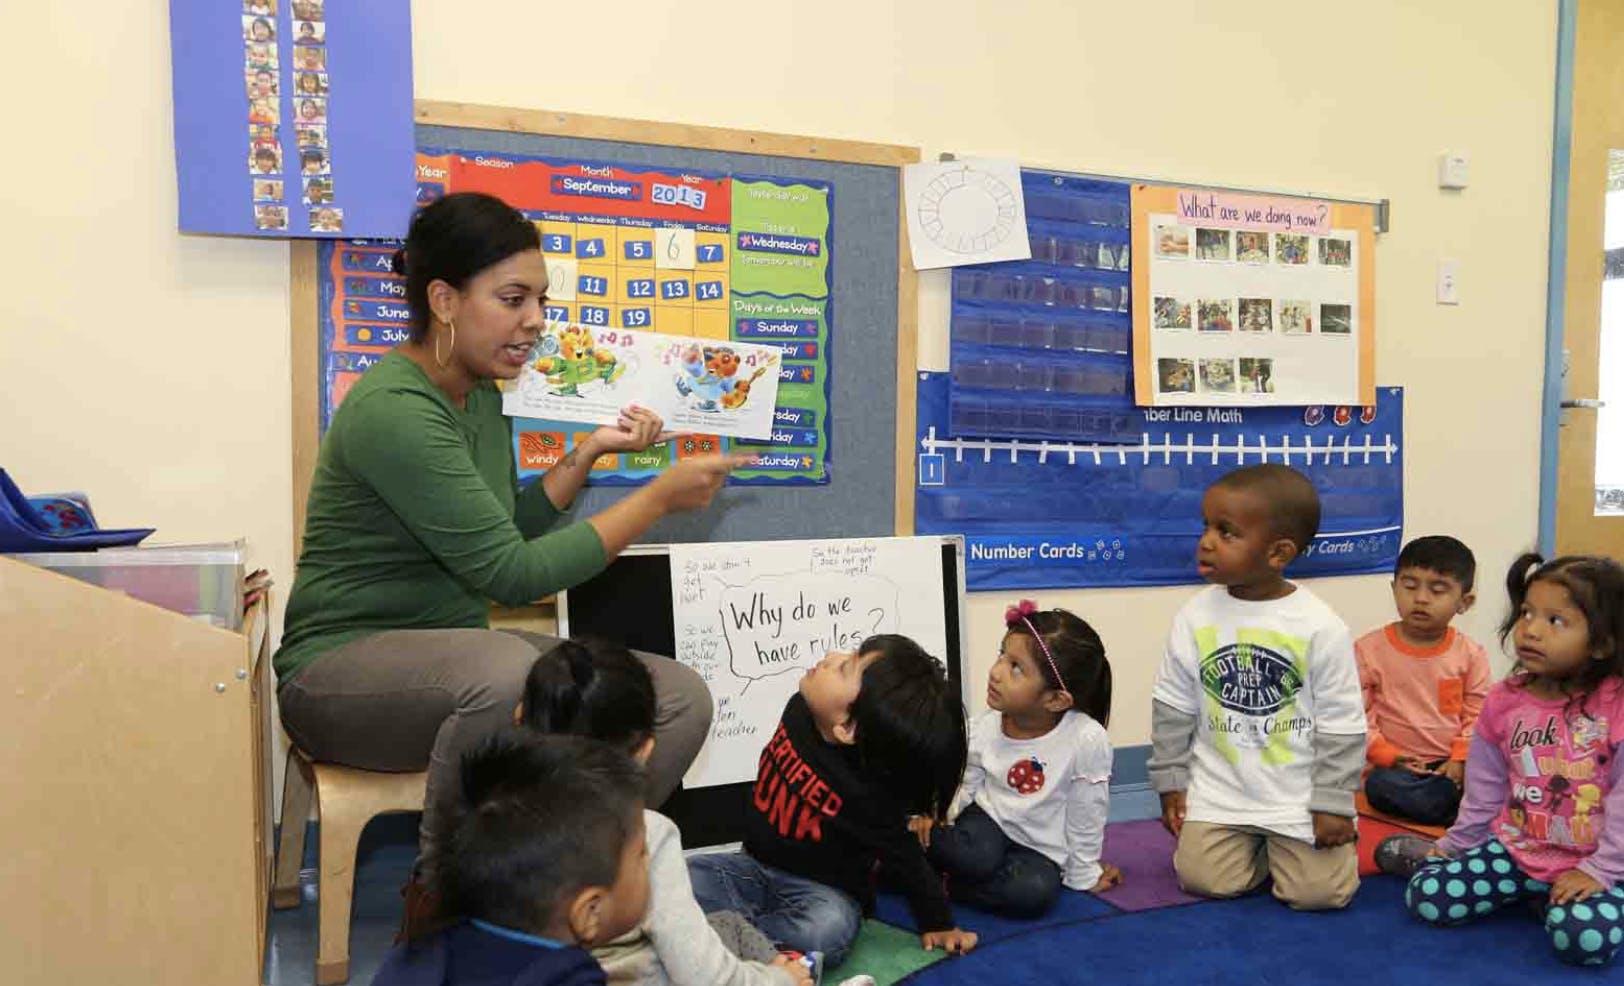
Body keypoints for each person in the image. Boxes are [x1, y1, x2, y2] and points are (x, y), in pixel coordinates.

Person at [274, 192, 748, 893]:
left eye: (540, 300)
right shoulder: (395, 412)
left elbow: (508, 525)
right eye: (513, 298)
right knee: (500, 673)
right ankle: (446, 899)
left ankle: (574, 883)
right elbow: (512, 573)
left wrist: (587, 454)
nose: (535, 322)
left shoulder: (482, 395)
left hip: (454, 662)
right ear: (443, 300)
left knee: (676, 698)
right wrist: (655, 499)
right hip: (337, 677)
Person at [514, 638, 813, 986]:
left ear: (520, 718)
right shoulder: (644, 834)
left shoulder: (492, 813)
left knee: (725, 926)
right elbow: (706, 978)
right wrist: (779, 979)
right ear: (644, 750)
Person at [1147, 464, 1365, 910]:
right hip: (1221, 791)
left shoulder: (1319, 626)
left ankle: (1288, 846)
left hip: (1298, 796)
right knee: (1204, 880)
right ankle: (1260, 850)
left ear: (1278, 553)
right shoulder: (1194, 616)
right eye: (1206, 526)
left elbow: (1343, 724)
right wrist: (1170, 779)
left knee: (1322, 895)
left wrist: (1333, 800)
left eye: (1226, 532)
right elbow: (1173, 706)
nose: (1207, 540)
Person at [1390, 554, 1624, 967]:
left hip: (1599, 861)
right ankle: (1536, 893)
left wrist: (1600, 870)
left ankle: (1558, 900)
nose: (1530, 629)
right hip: (1517, 850)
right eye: (1527, 613)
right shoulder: (1504, 700)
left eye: (1555, 621)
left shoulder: (1616, 704)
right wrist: (1456, 846)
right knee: (1427, 897)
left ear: (1603, 643)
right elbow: (1484, 788)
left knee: (1584, 943)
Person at [688, 636, 977, 967]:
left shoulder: (871, 796)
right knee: (679, 877)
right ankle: (736, 936)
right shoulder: (798, 708)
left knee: (826, 933)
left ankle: (729, 935)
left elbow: (905, 855)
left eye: (844, 668)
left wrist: (938, 922)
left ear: (847, 728)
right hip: (752, 867)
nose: (829, 656)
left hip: (822, 894)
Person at [371, 734, 648, 986]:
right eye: (641, 854)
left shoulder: (416, 952)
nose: (648, 862)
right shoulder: (567, 978)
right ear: (590, 912)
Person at [916, 600, 1119, 918]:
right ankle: (911, 846)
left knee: (1034, 892)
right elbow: (965, 783)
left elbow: (1086, 812)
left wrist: (1084, 873)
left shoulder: (1086, 740)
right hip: (986, 822)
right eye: (1001, 655)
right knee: (976, 856)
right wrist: (942, 817)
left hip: (1039, 847)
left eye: (1016, 668)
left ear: (1055, 699)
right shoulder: (983, 727)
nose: (996, 672)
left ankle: (941, 882)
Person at [1360, 536, 1491, 830]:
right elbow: (1357, 715)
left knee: (1499, 775)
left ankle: (1456, 807)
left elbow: (1478, 713)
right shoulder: (1368, 651)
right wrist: (1388, 755)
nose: (1420, 598)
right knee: (1380, 787)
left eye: (1437, 590)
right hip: (1396, 767)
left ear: (1464, 602)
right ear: (1394, 589)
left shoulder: (1470, 654)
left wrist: (1460, 758)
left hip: (1452, 764)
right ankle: (1459, 816)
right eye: (1409, 586)